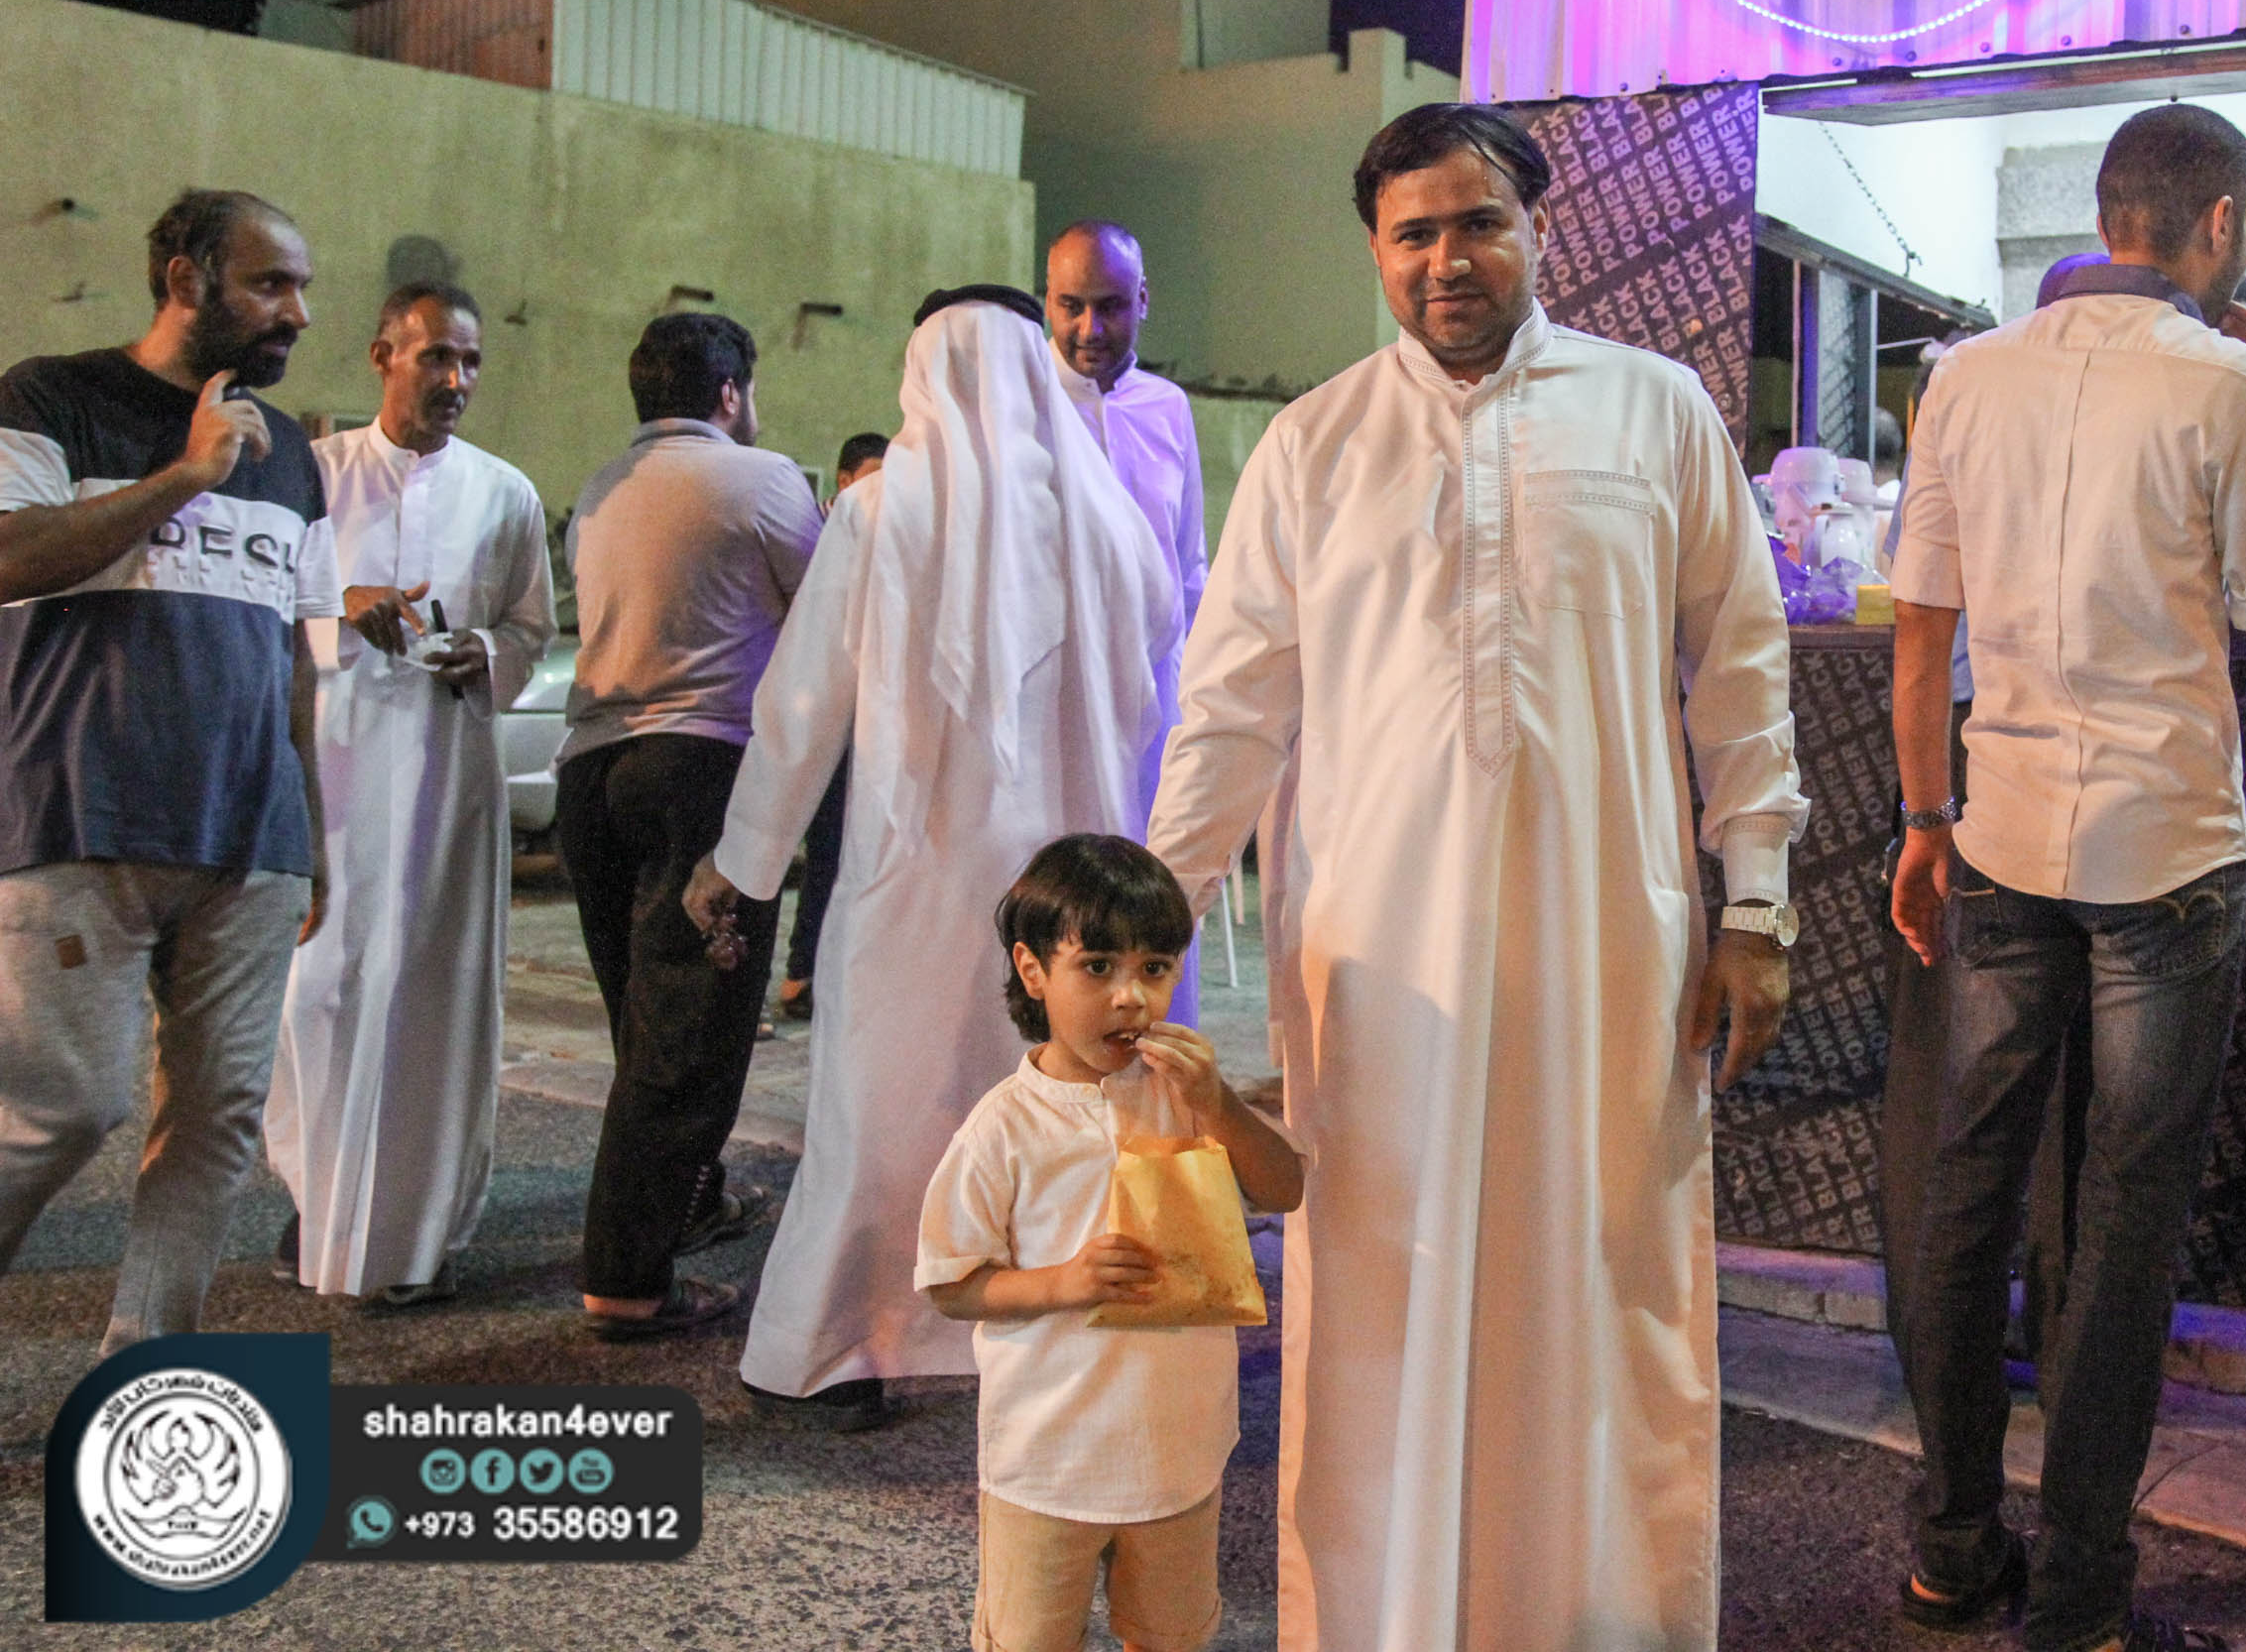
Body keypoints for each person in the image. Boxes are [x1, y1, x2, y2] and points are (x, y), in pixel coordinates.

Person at [1144, 101, 1804, 1651]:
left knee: (1608, 1278)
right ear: (1376, 253)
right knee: (1382, 1281)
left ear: (1539, 229)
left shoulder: (1653, 413)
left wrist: (1758, 906)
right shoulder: (1314, 445)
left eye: (1478, 223)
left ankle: (1605, 1620)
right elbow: (1231, 709)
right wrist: (1142, 927)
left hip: (1608, 947)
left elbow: (1741, 667)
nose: (1447, 259)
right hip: (1379, 964)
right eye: (1414, 234)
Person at [1884, 103, 2246, 1652]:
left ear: (2105, 215)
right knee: (2123, 1230)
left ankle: (1952, 1553)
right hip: (2168, 853)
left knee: (1968, 1195)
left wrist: (1923, 818)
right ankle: (2079, 1597)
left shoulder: (1965, 376)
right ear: (2220, 224)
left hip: (2000, 837)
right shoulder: (2234, 382)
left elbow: (1922, 627)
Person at [684, 299, 1176, 1429]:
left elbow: (804, 703)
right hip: (1065, 896)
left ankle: (833, 1347)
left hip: (911, 876)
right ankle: (1037, 1333)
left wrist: (744, 858)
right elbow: (1157, 685)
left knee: (878, 1112)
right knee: (1046, 1107)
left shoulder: (880, 508)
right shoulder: (1109, 515)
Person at [0, 188, 340, 1352]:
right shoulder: (51, 397)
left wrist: (312, 833)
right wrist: (186, 475)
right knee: (62, 1105)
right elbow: (9, 556)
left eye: (301, 287)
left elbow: (298, 657)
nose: (297, 311)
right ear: (186, 279)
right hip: (77, 816)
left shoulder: (292, 455)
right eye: (270, 283)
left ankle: (139, 1369)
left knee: (217, 1117)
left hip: (251, 840)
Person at [918, 834, 1303, 1652]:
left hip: (1179, 1451)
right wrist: (1064, 1282)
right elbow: (951, 1282)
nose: (1131, 997)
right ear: (1032, 971)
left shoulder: (1182, 1095)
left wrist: (1220, 1103)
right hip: (1046, 1462)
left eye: (1155, 968)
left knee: (1172, 1634)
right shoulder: (1002, 1128)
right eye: (1097, 967)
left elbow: (1284, 1188)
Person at [264, 282, 553, 1306]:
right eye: (436, 356)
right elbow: (263, 608)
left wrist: (484, 650)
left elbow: (529, 627)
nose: (456, 379)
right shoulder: (312, 475)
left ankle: (415, 1231)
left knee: (432, 993)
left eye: (470, 360)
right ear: (382, 354)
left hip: (445, 777)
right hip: (331, 776)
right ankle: (318, 1194)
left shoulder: (506, 493)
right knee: (316, 993)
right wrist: (340, 608)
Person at [558, 312, 821, 1339]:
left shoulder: (599, 489)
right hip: (698, 771)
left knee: (642, 1025)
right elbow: (826, 613)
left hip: (590, 772)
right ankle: (627, 1280)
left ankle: (687, 1206)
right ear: (729, 393)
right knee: (689, 1041)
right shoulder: (760, 480)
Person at [1043, 223, 1211, 1006]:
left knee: (1153, 883)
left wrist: (1195, 695)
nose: (1089, 328)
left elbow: (1189, 566)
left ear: (1143, 301)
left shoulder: (1169, 408)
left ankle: (1158, 1067)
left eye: (1110, 306)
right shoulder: (1023, 407)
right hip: (1053, 704)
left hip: (1155, 706)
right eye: (1070, 305)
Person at [774, 429, 888, 1025]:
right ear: (845, 480)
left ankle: (817, 973)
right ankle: (801, 973)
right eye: (873, 476)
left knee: (840, 850)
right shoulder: (812, 533)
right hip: (814, 716)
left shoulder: (877, 529)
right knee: (816, 850)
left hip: (860, 722)